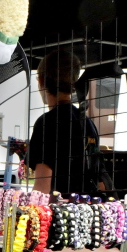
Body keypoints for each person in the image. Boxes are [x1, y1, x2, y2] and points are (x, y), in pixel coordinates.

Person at [27, 49, 104, 195]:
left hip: (58, 211)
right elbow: (100, 180)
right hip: (86, 210)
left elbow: (42, 188)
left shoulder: (47, 123)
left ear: (42, 80)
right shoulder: (88, 123)